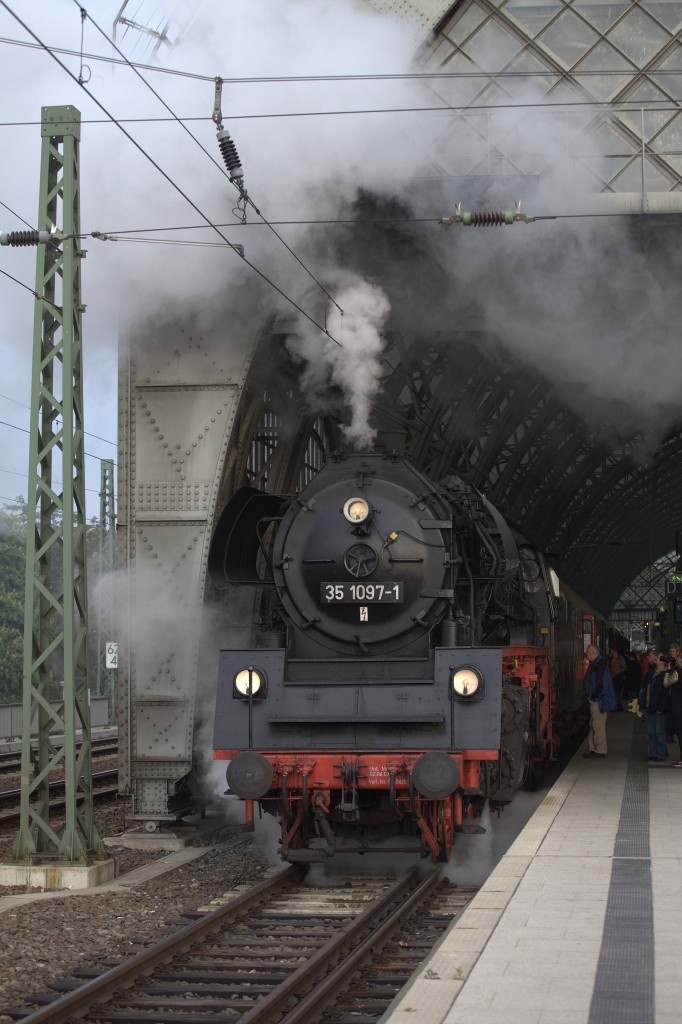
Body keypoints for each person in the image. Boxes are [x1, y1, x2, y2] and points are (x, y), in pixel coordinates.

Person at [583, 644, 617, 758]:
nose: (586, 654)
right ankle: (593, 748)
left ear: (592, 652)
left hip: (598, 700)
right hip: (596, 699)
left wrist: (594, 696)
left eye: (587, 651)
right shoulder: (597, 664)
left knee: (598, 725)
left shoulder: (600, 665)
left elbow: (602, 685)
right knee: (593, 725)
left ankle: (600, 750)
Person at [639, 651, 672, 762]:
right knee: (651, 732)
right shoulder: (653, 671)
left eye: (659, 657)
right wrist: (643, 704)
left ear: (663, 661)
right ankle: (652, 753)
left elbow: (666, 694)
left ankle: (661, 754)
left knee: (659, 732)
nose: (657, 659)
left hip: (659, 708)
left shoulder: (667, 674)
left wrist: (662, 708)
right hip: (650, 706)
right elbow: (646, 689)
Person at [666, 647, 682, 767]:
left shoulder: (677, 673)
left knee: (680, 733)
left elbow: (666, 683)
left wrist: (668, 670)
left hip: (678, 705)